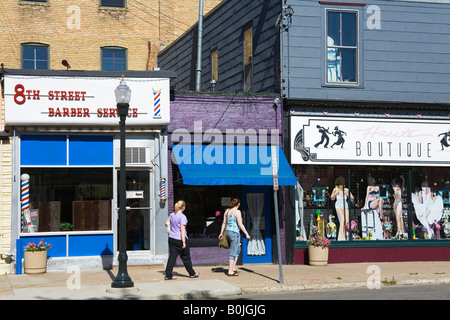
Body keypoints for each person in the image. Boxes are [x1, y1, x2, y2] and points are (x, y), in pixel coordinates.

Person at [164, 200, 199, 280]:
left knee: (172, 257)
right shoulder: (183, 217)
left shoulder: (172, 215)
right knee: (186, 257)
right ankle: (192, 273)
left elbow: (166, 223)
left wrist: (170, 228)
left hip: (172, 238)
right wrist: (184, 242)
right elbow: (182, 230)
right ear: (183, 207)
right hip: (180, 239)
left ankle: (168, 275)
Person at [218, 198, 250, 276]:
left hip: (228, 232)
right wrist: (246, 233)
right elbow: (240, 224)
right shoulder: (237, 212)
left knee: (238, 250)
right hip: (234, 233)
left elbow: (224, 223)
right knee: (233, 252)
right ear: (238, 204)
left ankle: (233, 268)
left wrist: (221, 233)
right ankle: (230, 271)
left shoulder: (227, 211)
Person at [330, 176, 354, 241]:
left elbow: (352, 199)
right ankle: (341, 237)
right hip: (338, 205)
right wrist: (335, 194)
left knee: (347, 220)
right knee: (342, 218)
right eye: (340, 184)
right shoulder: (335, 189)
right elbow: (332, 198)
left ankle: (347, 236)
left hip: (345, 205)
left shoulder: (346, 190)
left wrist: (348, 194)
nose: (341, 186)